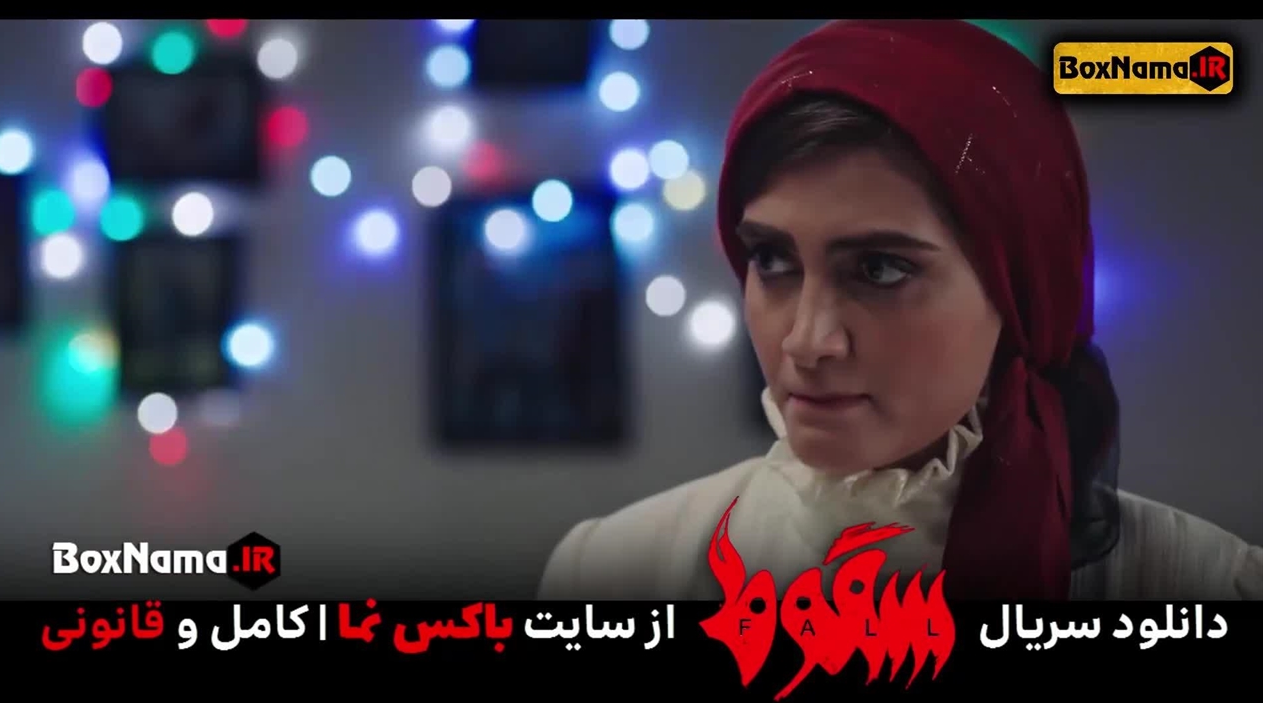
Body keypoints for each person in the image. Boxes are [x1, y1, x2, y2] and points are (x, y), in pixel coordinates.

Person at [538, 19, 1262, 602]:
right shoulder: (615, 569)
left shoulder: (1202, 583)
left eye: (880, 269)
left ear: (1021, 293)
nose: (808, 341)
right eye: (772, 260)